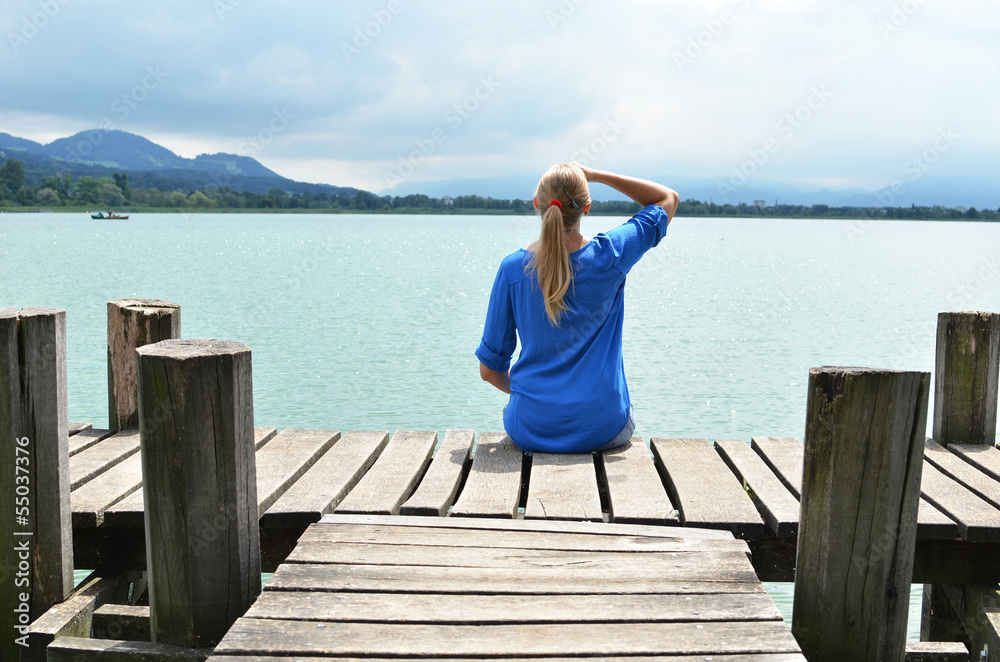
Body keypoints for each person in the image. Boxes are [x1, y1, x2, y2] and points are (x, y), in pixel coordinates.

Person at [476, 162, 679, 453]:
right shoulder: (610, 254)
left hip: (531, 428)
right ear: (587, 207)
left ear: (537, 204)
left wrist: (535, 394)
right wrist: (597, 175)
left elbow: (489, 371)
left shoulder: (511, 270)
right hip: (604, 428)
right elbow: (667, 198)